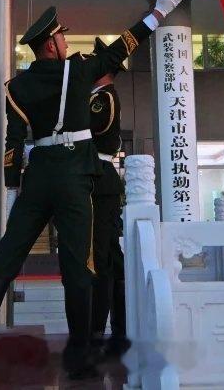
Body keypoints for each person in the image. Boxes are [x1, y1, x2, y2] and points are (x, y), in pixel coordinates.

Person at [0, 0, 187, 382]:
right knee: (78, 267)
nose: (66, 42)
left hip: (37, 178)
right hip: (74, 177)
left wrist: (13, 187)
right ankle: (79, 354)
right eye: (62, 37)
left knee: (5, 260)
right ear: (51, 44)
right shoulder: (78, 70)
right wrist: (158, 14)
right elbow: (120, 48)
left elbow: (13, 144)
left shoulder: (16, 87)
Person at [87, 38, 130, 359]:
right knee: (110, 259)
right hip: (101, 180)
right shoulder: (98, 96)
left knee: (99, 259)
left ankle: (96, 332)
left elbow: (85, 129)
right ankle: (117, 330)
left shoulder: (102, 98)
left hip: (99, 181)